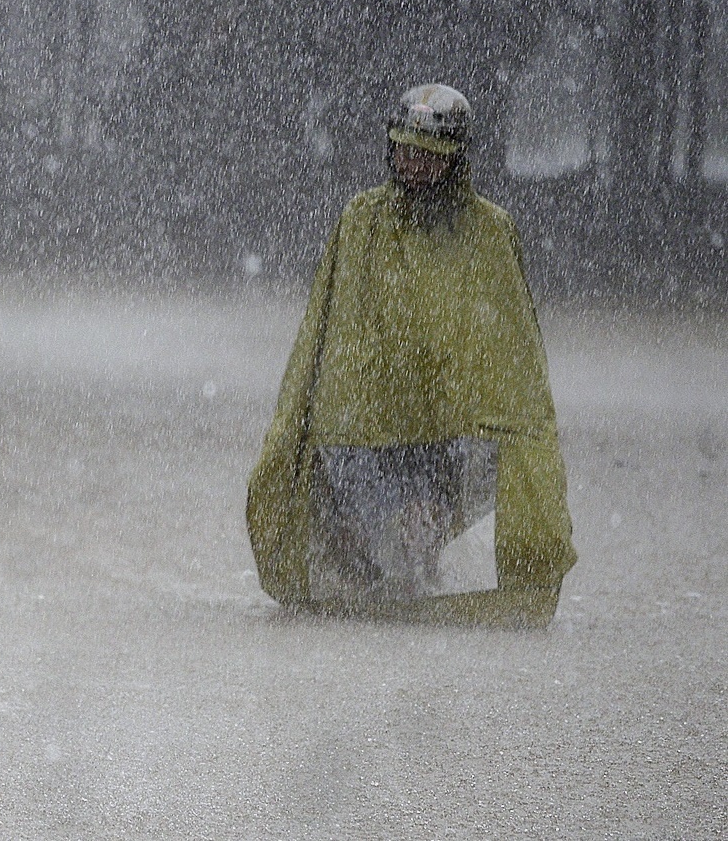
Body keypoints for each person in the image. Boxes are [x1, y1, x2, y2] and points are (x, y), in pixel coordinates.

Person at [245, 83, 575, 629]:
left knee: (424, 520)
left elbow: (508, 341)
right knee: (373, 522)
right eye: (403, 149)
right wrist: (320, 410)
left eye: (428, 154)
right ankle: (380, 577)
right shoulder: (362, 220)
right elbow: (330, 325)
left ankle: (410, 569)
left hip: (451, 416)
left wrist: (486, 409)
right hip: (369, 415)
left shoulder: (489, 232)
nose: (412, 163)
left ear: (455, 158)